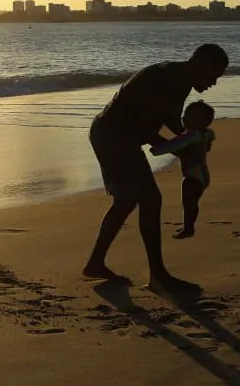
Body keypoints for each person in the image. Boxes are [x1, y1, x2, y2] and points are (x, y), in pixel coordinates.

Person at [82, 43, 228, 291]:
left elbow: (170, 120)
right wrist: (181, 150)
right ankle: (158, 276)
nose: (214, 83)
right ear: (201, 65)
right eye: (213, 76)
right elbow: (145, 130)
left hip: (121, 136)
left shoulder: (181, 81)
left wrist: (193, 142)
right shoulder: (164, 78)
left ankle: (95, 263)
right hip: (113, 135)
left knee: (127, 200)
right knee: (150, 198)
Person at [150, 100, 216, 239]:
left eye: (188, 116)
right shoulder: (203, 133)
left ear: (201, 121)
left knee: (189, 202)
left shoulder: (193, 135)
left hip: (194, 176)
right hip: (202, 176)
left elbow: (175, 144)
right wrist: (208, 143)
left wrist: (156, 149)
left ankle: (188, 228)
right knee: (191, 202)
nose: (183, 118)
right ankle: (188, 226)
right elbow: (211, 134)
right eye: (185, 114)